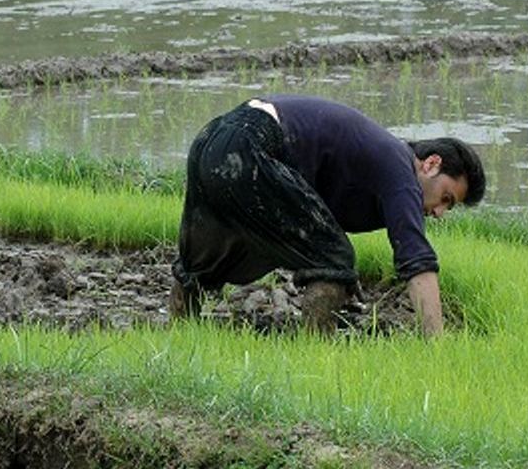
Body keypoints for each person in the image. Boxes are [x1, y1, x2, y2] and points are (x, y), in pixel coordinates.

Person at [170, 95, 485, 338]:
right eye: (445, 197)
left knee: (198, 265)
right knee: (335, 259)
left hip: (211, 141)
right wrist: (437, 344)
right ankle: (314, 349)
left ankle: (180, 341)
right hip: (252, 144)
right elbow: (417, 262)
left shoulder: (382, 158)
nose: (439, 212)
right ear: (431, 164)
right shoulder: (401, 169)